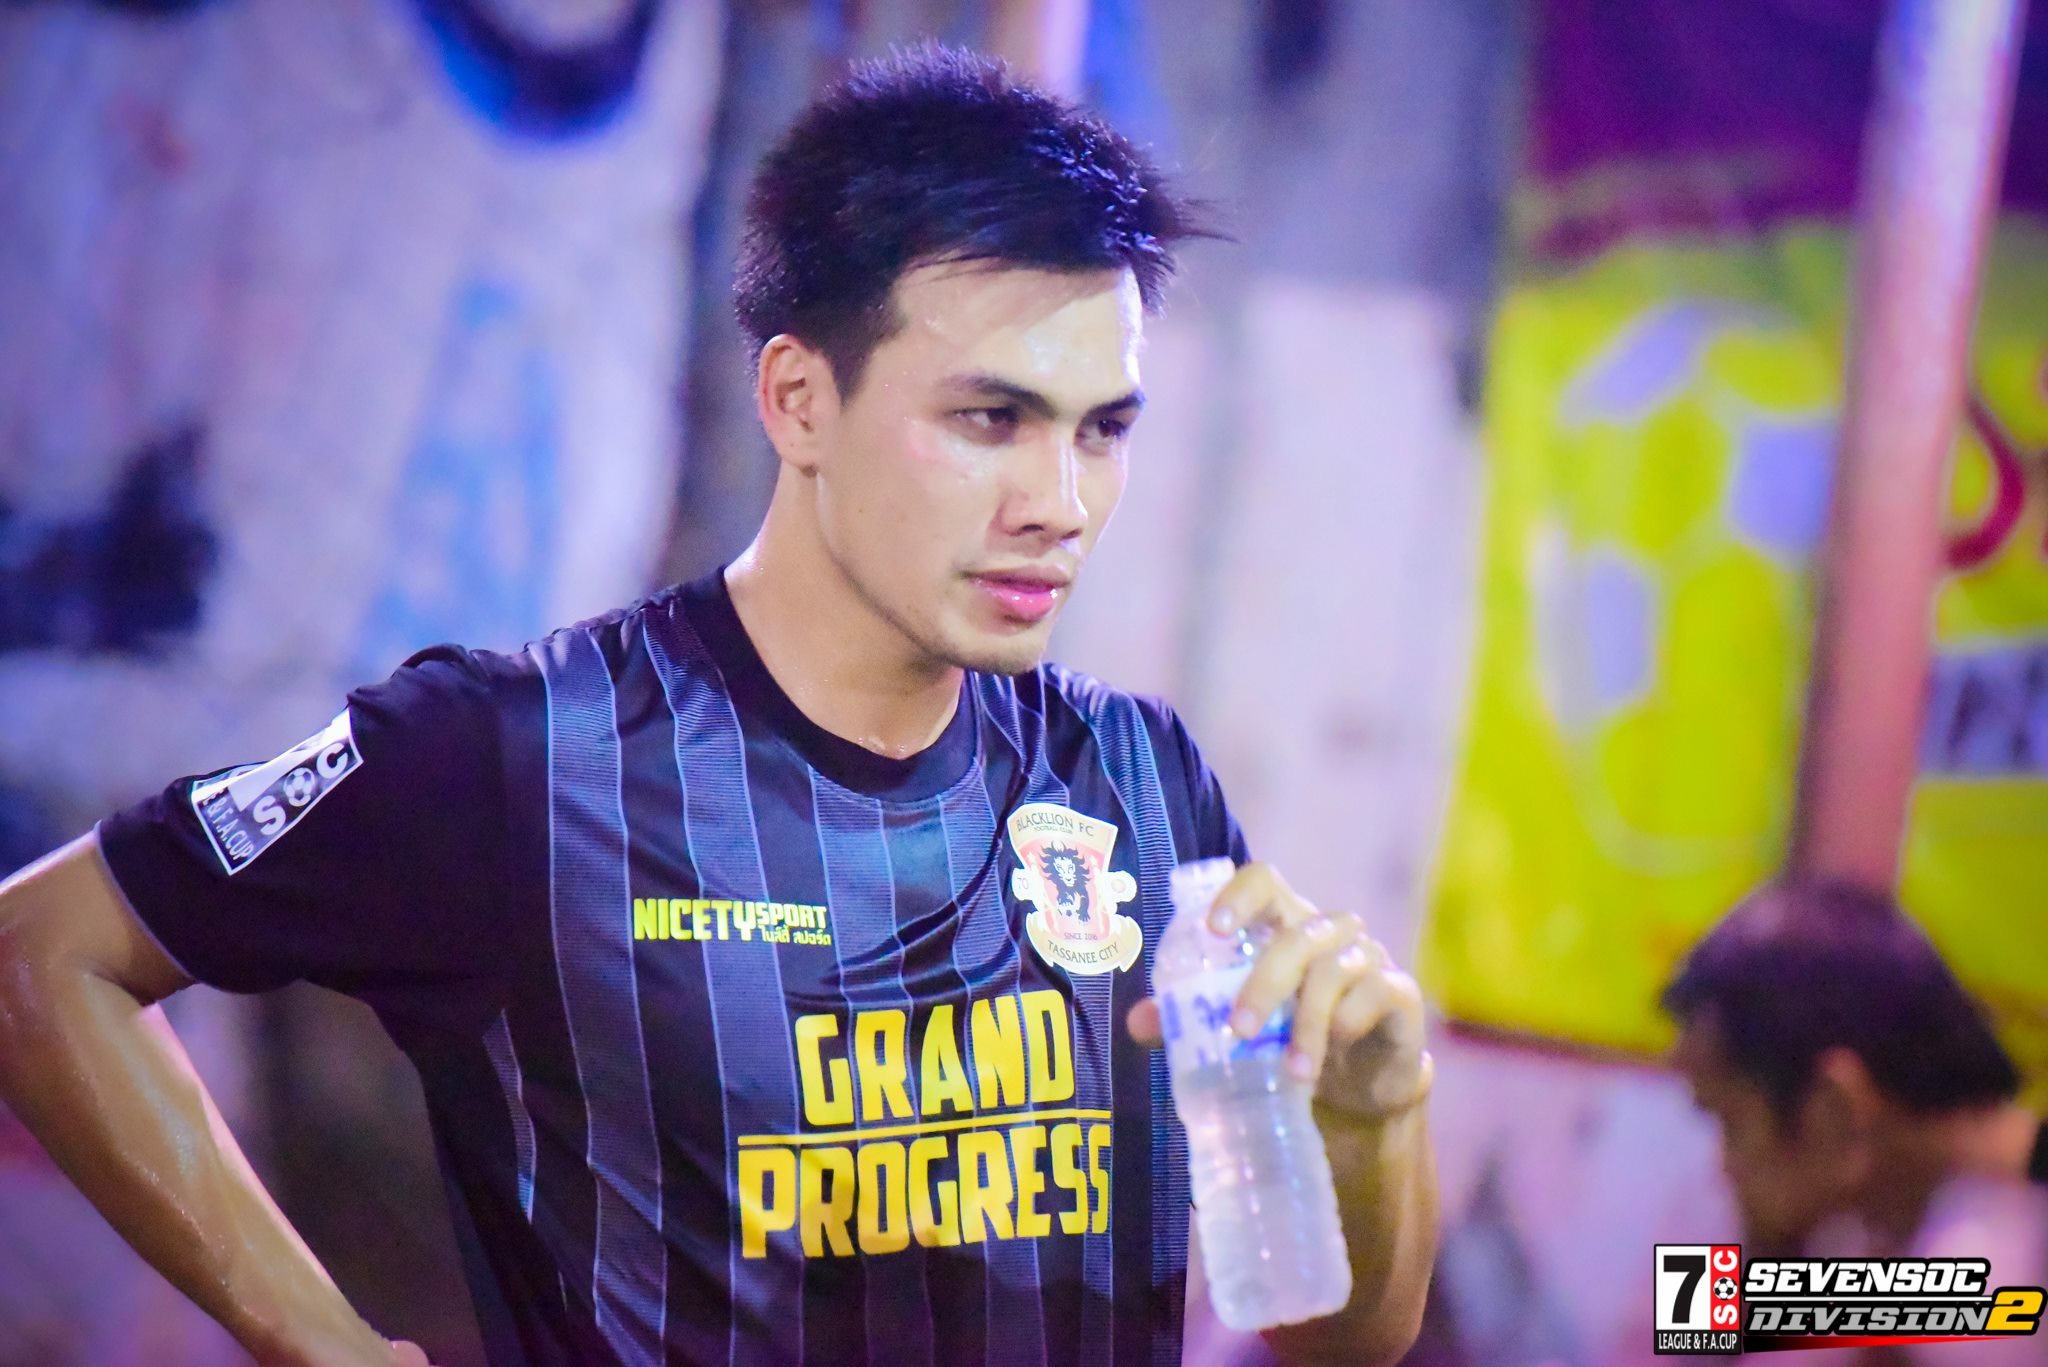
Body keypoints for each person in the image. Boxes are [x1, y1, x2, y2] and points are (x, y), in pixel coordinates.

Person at [0, 48, 1437, 1367]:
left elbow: (1335, 1342)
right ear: (799, 400)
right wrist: (315, 1335)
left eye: (1101, 429)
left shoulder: (1138, 773)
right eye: (989, 419)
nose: (1058, 503)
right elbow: (40, 955)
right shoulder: (517, 755)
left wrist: (1373, 1118)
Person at [1664, 878, 2046, 1340]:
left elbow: (1700, 1313)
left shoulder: (2000, 1276)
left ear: (1834, 1111)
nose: (1724, 1169)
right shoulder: (1937, 1236)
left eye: (1731, 1123)